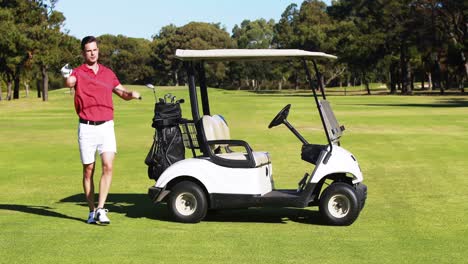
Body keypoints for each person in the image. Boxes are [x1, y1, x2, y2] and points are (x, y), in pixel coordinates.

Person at [61, 36, 140, 224]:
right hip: (87, 127)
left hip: (106, 126)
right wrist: (66, 75)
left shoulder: (107, 73)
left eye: (94, 50)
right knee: (89, 170)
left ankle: (101, 209)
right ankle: (91, 211)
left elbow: (121, 92)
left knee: (108, 165)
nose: (92, 53)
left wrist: (131, 95)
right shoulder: (79, 72)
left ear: (98, 50)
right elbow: (69, 82)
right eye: (88, 50)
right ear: (83, 53)